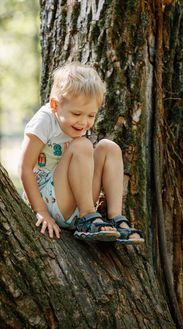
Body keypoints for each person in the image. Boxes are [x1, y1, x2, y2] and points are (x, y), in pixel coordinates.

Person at [18, 61, 144, 245]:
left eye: (91, 116)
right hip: (47, 200)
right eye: (77, 114)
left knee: (109, 147)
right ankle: (87, 216)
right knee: (83, 145)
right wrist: (42, 212)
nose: (83, 122)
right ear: (55, 105)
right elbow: (24, 168)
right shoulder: (43, 120)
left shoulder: (76, 124)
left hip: (75, 200)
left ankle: (115, 217)